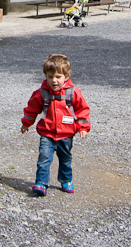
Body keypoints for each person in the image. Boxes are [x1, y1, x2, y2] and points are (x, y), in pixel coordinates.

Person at [21, 53, 91, 197]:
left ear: (67, 76)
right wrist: (26, 123)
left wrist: (83, 127)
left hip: (66, 134)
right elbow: (32, 108)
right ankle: (41, 183)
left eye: (58, 77)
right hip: (47, 133)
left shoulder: (73, 93)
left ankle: (66, 180)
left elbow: (82, 110)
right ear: (45, 76)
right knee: (44, 158)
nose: (54, 81)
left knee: (65, 159)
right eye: (50, 77)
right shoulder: (42, 93)